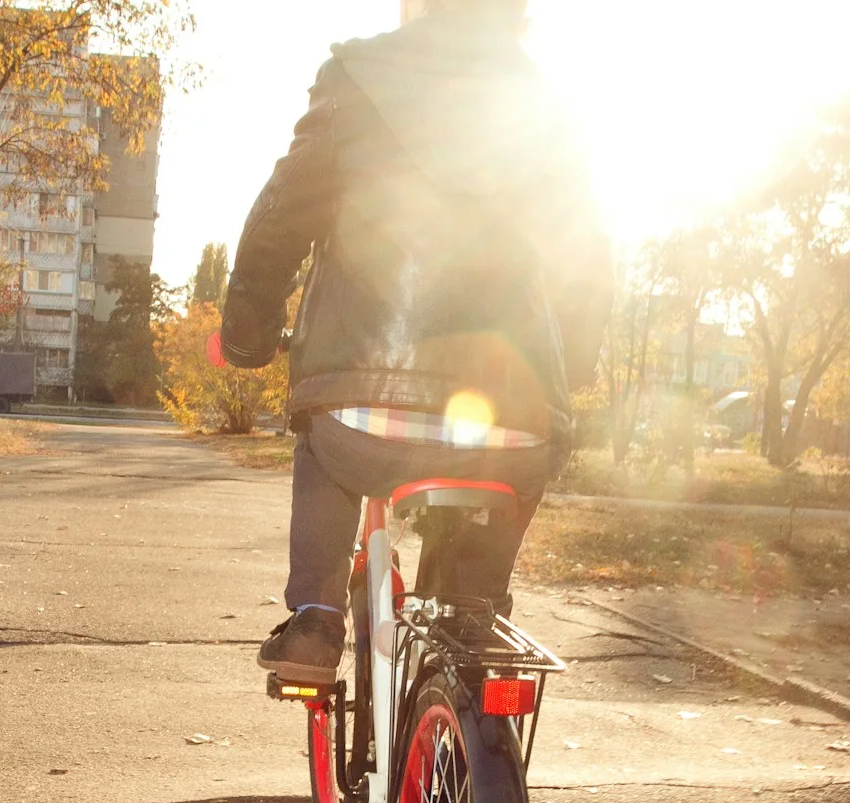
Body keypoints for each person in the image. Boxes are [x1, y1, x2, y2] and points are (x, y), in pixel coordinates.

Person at [221, 0, 612, 685]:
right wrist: (573, 363)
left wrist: (248, 333)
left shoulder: (357, 75)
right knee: (473, 600)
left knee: (325, 448)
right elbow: (585, 254)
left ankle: (315, 619)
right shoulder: (549, 102)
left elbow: (284, 213)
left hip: (361, 412)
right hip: (515, 428)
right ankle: (471, 615)